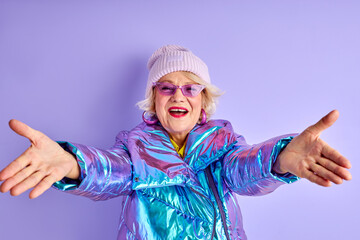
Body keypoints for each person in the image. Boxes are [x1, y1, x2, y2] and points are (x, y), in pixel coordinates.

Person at [0, 45, 352, 240]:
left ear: (203, 101)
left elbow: (243, 167)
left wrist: (278, 158)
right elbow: (109, 170)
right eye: (166, 87)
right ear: (154, 102)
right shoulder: (134, 150)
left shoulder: (224, 145)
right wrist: (72, 163)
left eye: (190, 87)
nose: (177, 95)